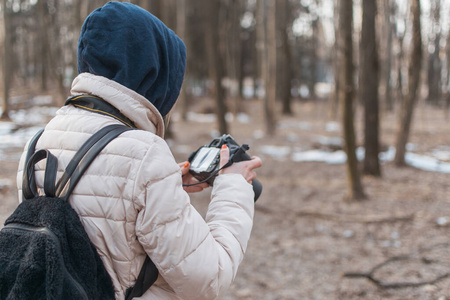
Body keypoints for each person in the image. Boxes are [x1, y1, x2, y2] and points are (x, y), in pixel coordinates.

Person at [16, 2, 262, 300]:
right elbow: (209, 278)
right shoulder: (144, 154)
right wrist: (233, 185)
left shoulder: (38, 141)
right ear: (154, 72)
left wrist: (163, 187)